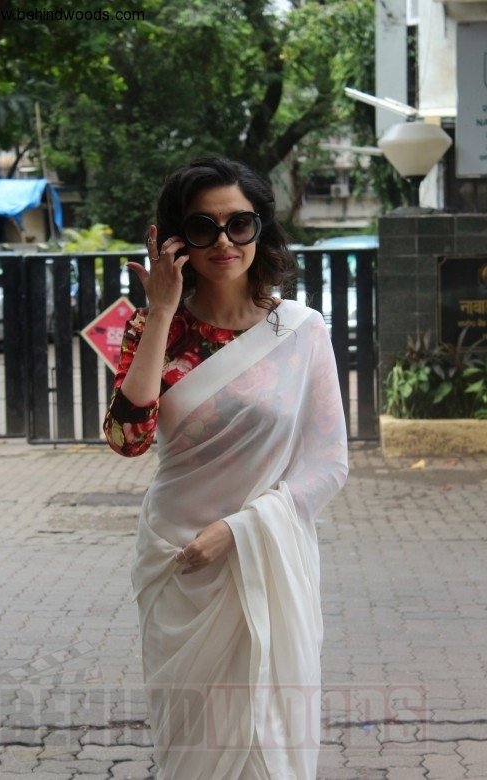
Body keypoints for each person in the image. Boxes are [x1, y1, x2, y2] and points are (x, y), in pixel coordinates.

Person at [103, 157, 348, 779]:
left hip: (262, 556)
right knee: (191, 746)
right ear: (175, 239)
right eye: (202, 227)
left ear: (260, 229)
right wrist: (161, 310)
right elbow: (128, 439)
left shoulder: (300, 331)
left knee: (266, 741)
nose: (223, 242)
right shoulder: (154, 327)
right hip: (177, 561)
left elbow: (328, 464)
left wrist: (241, 530)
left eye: (239, 223)